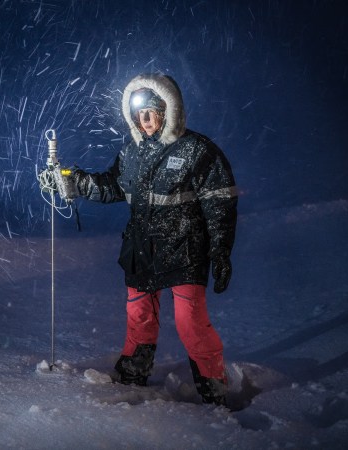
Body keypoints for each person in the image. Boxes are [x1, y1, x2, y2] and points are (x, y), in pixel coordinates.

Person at [48, 73, 237, 406]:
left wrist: (221, 252)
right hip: (141, 249)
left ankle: (213, 385)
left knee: (189, 320)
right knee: (139, 316)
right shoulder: (131, 152)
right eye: (139, 114)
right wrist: (72, 181)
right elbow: (111, 186)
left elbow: (219, 202)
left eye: (151, 111)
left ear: (168, 110)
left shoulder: (197, 150)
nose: (144, 120)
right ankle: (134, 374)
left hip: (185, 248)